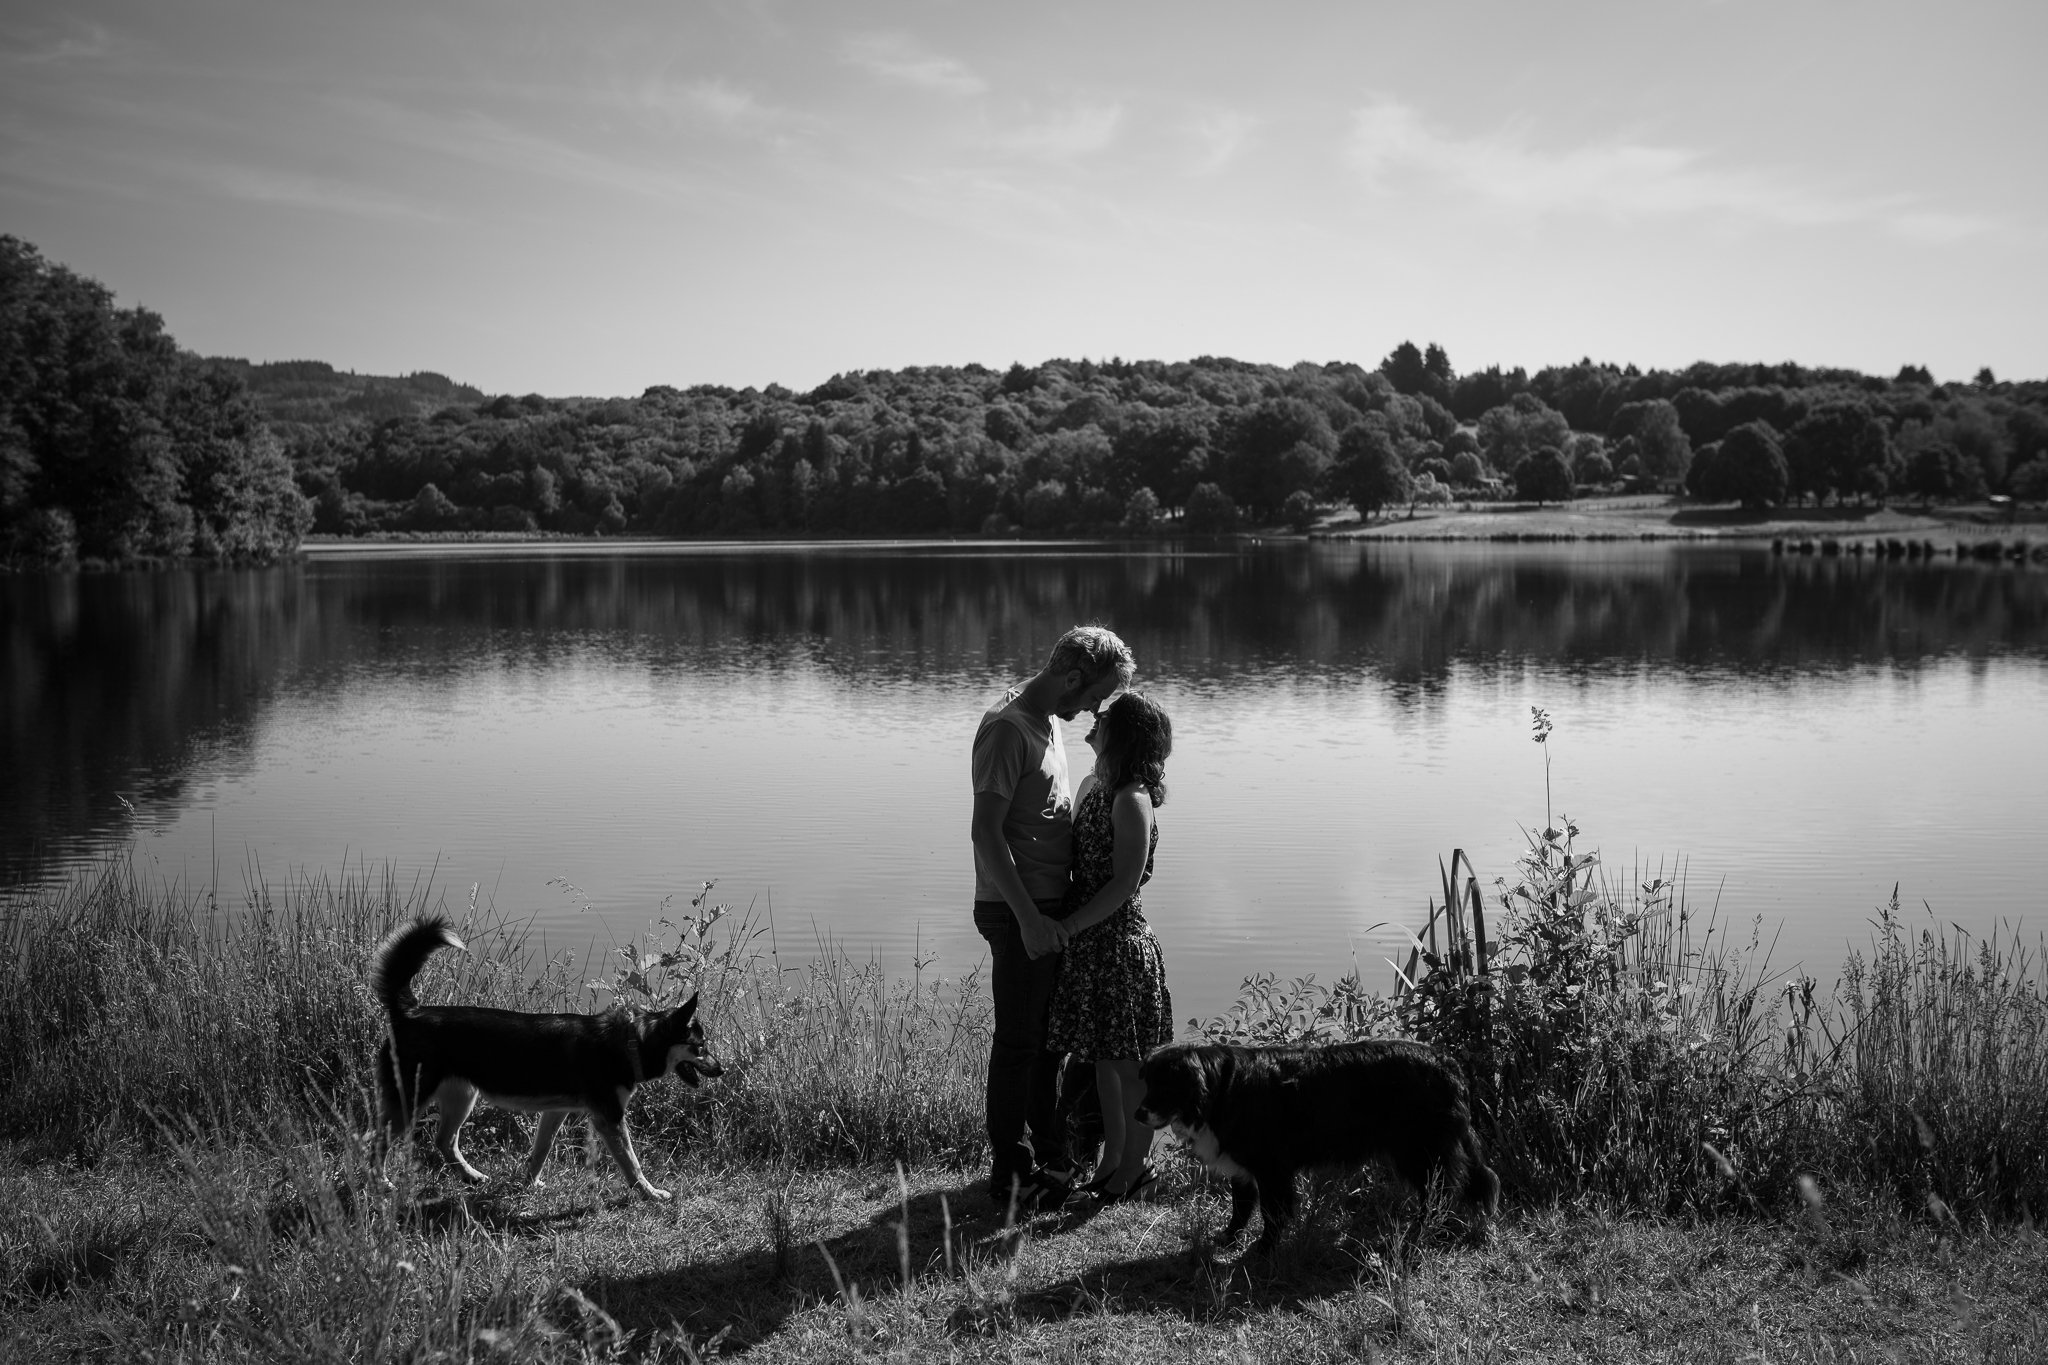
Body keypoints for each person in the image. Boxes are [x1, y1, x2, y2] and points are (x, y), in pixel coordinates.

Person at [970, 625, 1134, 1211]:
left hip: (1046, 909)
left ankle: (1050, 1156)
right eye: (1093, 695)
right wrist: (1029, 918)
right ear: (1071, 679)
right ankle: (1009, 1172)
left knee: (1047, 1044)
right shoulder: (1005, 729)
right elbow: (985, 833)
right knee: (1019, 1043)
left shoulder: (1045, 721)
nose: (1093, 709)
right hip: (1019, 911)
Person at [1045, 690, 1174, 1203]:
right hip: (1093, 947)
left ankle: (1135, 1171)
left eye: (1103, 718)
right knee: (1102, 1059)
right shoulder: (1098, 785)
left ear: (1121, 734)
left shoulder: (1132, 799)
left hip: (1119, 947)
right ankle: (1110, 1166)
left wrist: (1071, 925)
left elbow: (1123, 885)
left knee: (1130, 1067)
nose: (1091, 722)